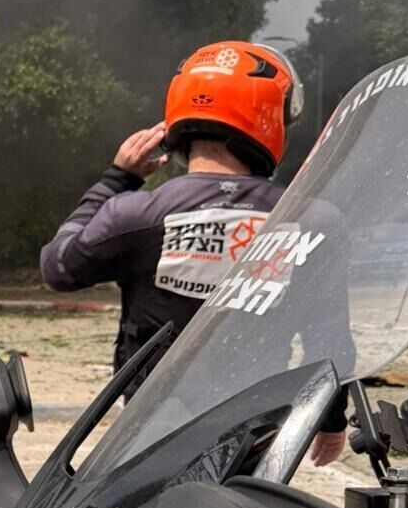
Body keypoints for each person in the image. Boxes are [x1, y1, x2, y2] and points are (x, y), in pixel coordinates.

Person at [40, 39, 348, 465]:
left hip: (150, 441)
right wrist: (332, 422)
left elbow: (58, 266)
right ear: (267, 118)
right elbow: (327, 336)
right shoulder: (313, 221)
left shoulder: (133, 214)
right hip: (253, 437)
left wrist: (116, 179)